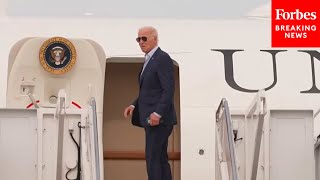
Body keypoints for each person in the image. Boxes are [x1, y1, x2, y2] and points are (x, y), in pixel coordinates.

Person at [123, 26, 177, 180]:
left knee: (153, 159)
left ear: (155, 38)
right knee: (159, 158)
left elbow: (168, 89)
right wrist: (134, 105)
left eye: (144, 38)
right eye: (138, 39)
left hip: (158, 120)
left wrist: (158, 113)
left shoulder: (161, 58)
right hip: (152, 119)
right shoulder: (149, 59)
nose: (140, 42)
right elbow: (149, 91)